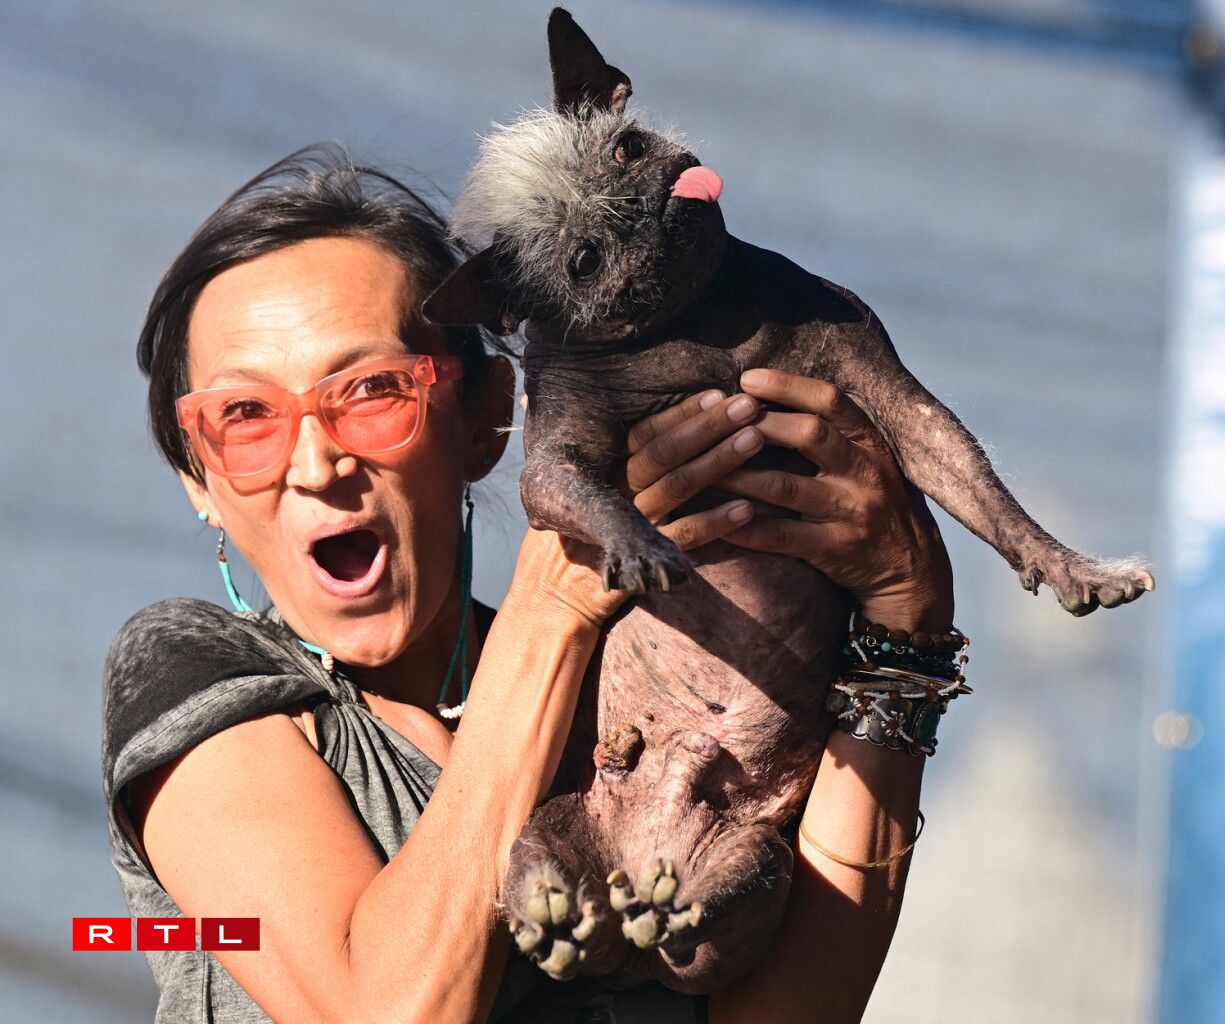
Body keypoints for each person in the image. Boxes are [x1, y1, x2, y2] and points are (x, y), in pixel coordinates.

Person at [102, 144, 958, 1024]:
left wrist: (906, 626)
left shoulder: (643, 683)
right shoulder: (189, 674)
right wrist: (555, 601)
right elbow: (389, 1012)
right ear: (197, 477)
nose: (317, 464)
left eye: (372, 391)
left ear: (485, 420)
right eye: (245, 414)